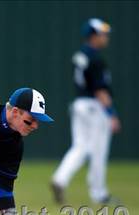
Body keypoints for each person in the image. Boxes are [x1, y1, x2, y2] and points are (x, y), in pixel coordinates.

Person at [51, 18, 121, 205]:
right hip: (94, 106)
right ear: (92, 36)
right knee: (98, 151)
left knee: (80, 146)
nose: (105, 37)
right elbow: (100, 90)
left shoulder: (80, 55)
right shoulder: (95, 58)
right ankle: (99, 193)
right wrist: (111, 113)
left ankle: (60, 178)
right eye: (102, 34)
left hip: (79, 104)